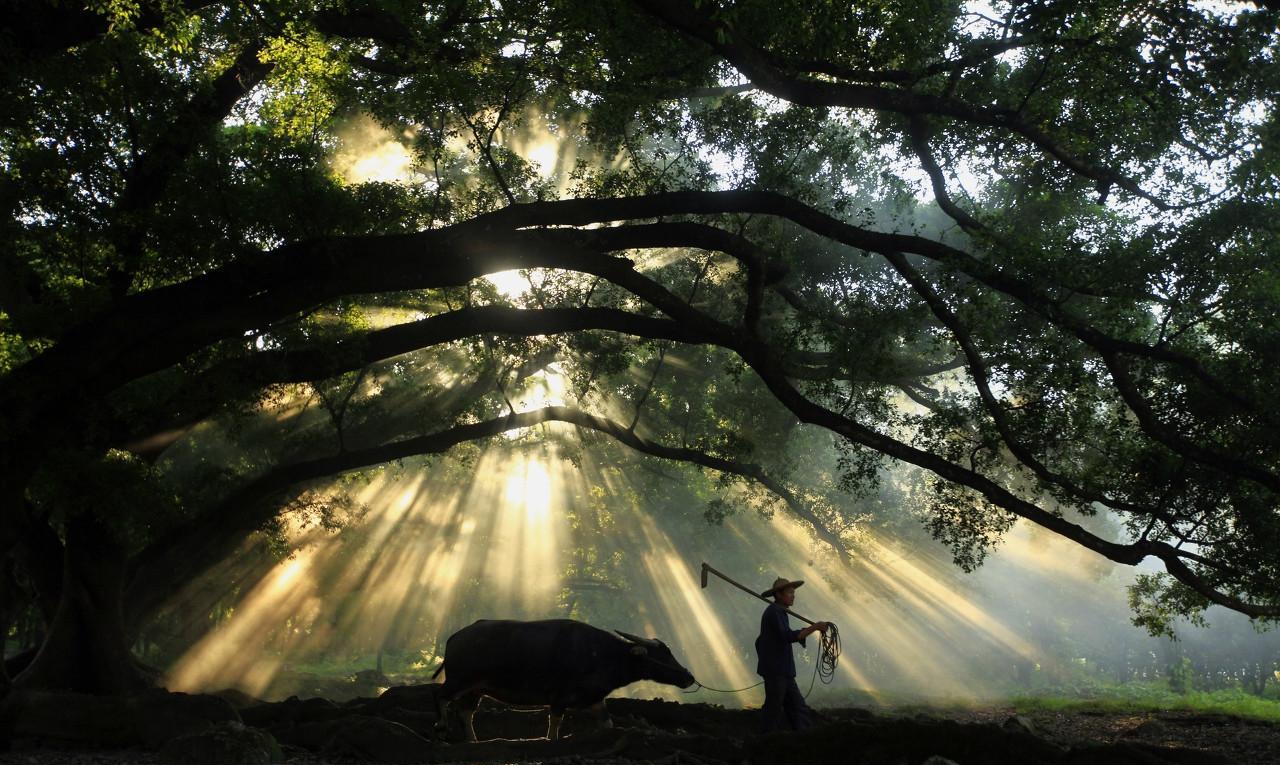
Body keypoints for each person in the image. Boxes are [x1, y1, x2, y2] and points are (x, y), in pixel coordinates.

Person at [754, 576, 829, 732]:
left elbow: (782, 636)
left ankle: (804, 738)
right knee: (773, 709)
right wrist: (814, 627)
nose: (793, 595)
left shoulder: (780, 612)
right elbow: (788, 636)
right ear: (779, 595)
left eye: (793, 592)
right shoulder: (774, 612)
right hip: (776, 671)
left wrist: (808, 630)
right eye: (790, 592)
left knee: (798, 707)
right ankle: (763, 742)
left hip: (784, 671)